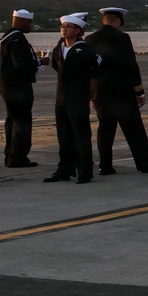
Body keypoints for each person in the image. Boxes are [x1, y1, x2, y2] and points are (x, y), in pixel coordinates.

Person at [85, 7, 148, 175]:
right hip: (121, 92)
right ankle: (146, 164)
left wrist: (91, 94)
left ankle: (105, 166)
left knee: (105, 129)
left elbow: (88, 68)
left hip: (100, 92)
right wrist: (139, 91)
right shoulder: (123, 38)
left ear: (104, 20)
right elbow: (130, 66)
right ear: (118, 20)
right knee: (134, 129)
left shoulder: (90, 39)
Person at [45, 14, 101, 184]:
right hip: (61, 97)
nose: (64, 29)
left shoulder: (86, 49)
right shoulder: (59, 48)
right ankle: (64, 169)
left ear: (78, 30)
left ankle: (84, 171)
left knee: (81, 135)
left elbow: (99, 67)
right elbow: (57, 66)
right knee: (64, 135)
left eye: (69, 26)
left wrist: (90, 90)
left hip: (78, 97)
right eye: (63, 26)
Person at [0, 9, 45, 168]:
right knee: (22, 122)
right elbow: (21, 64)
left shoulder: (8, 35)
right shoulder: (17, 38)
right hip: (17, 87)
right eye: (29, 22)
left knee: (12, 120)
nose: (31, 26)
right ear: (21, 21)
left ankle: (11, 155)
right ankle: (18, 157)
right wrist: (39, 62)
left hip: (9, 86)